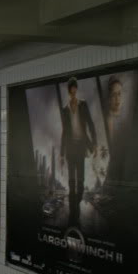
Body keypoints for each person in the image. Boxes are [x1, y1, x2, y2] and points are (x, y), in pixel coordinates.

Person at [60, 77, 97, 226]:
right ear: (69, 91)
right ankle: (73, 217)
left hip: (81, 148)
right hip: (70, 149)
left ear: (76, 89)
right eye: (71, 89)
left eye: (74, 88)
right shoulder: (65, 109)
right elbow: (64, 132)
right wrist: (61, 154)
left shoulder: (83, 105)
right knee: (71, 184)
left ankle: (75, 206)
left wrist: (94, 143)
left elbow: (90, 124)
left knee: (80, 184)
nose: (73, 91)